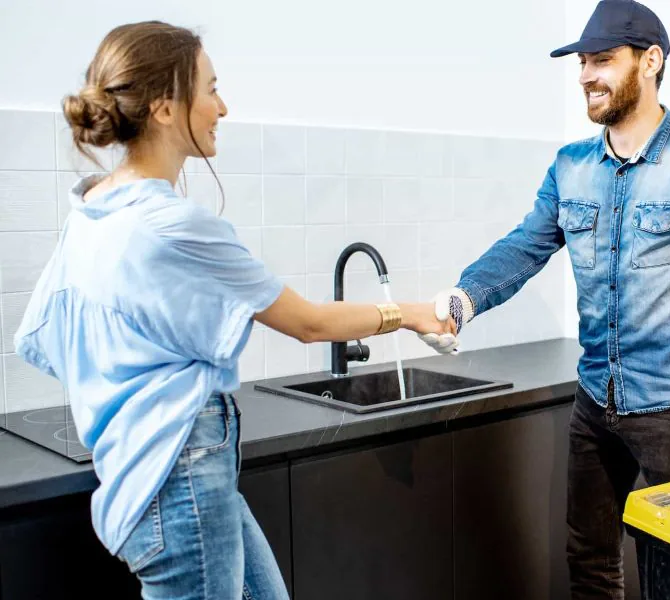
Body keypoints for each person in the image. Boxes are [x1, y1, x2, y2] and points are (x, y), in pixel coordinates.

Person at [13, 21, 454, 600]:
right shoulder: (175, 225)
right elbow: (310, 324)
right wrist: (415, 312)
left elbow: (39, 339)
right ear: (166, 107)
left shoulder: (91, 212)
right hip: (180, 475)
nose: (223, 106)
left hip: (145, 471)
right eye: (211, 88)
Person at [418, 1, 670, 597]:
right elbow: (525, 247)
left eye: (603, 60)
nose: (586, 74)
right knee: (589, 564)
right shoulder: (570, 167)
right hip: (595, 402)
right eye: (583, 61)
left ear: (651, 61)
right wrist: (464, 299)